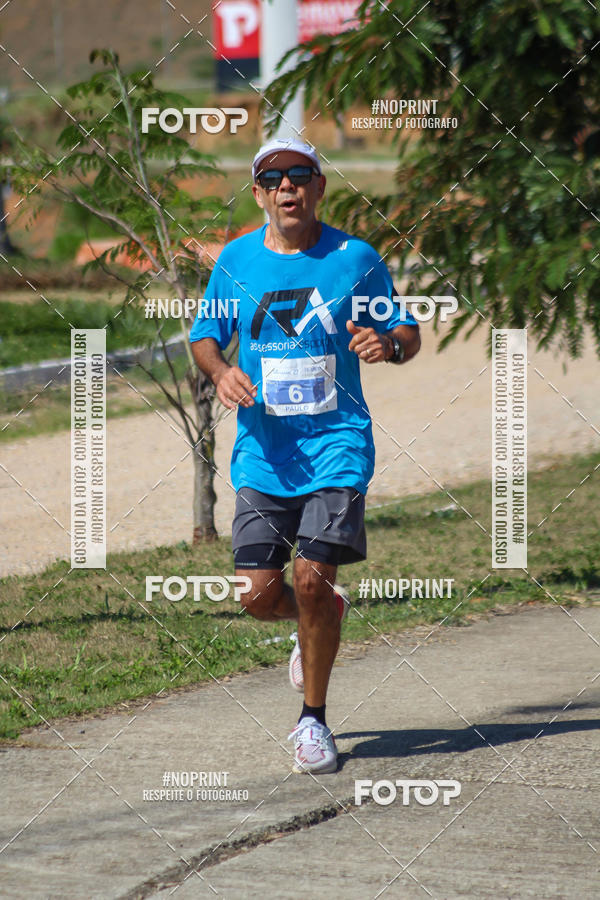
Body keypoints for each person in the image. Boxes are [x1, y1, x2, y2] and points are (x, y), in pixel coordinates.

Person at [190, 138, 420, 774]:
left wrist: (387, 346)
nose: (287, 186)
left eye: (300, 175)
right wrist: (221, 372)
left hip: (337, 446)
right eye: (274, 178)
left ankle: (312, 721)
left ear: (319, 187)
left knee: (313, 576)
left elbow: (407, 331)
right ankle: (318, 616)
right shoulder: (236, 261)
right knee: (258, 594)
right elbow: (205, 337)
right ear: (259, 195)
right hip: (263, 455)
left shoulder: (355, 259)